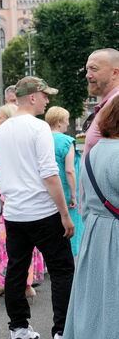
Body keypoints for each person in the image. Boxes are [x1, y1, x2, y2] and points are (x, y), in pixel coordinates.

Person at [0, 77, 75, 339]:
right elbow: (50, 175)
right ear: (32, 97)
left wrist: (11, 197)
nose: (47, 100)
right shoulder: (39, 129)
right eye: (45, 95)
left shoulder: (1, 130)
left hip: (14, 212)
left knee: (16, 270)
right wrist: (64, 214)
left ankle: (19, 328)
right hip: (43, 211)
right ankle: (61, 330)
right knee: (62, 270)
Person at [63, 95, 119, 339]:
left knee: (94, 304)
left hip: (96, 233)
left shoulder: (96, 151)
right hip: (115, 237)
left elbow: (87, 202)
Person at [0, 104, 44, 299]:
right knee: (27, 244)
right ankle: (25, 284)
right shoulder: (27, 140)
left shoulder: (1, 142)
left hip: (9, 202)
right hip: (29, 201)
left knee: (8, 245)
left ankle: (7, 284)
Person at [46, 106, 83, 258]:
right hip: (65, 191)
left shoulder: (43, 138)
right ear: (60, 122)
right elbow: (70, 170)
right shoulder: (68, 141)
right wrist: (74, 195)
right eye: (67, 120)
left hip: (47, 189)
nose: (68, 123)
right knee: (69, 227)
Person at [83, 48, 119, 155]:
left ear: (114, 73)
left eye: (94, 69)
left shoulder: (116, 105)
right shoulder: (108, 105)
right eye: (87, 69)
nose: (87, 75)